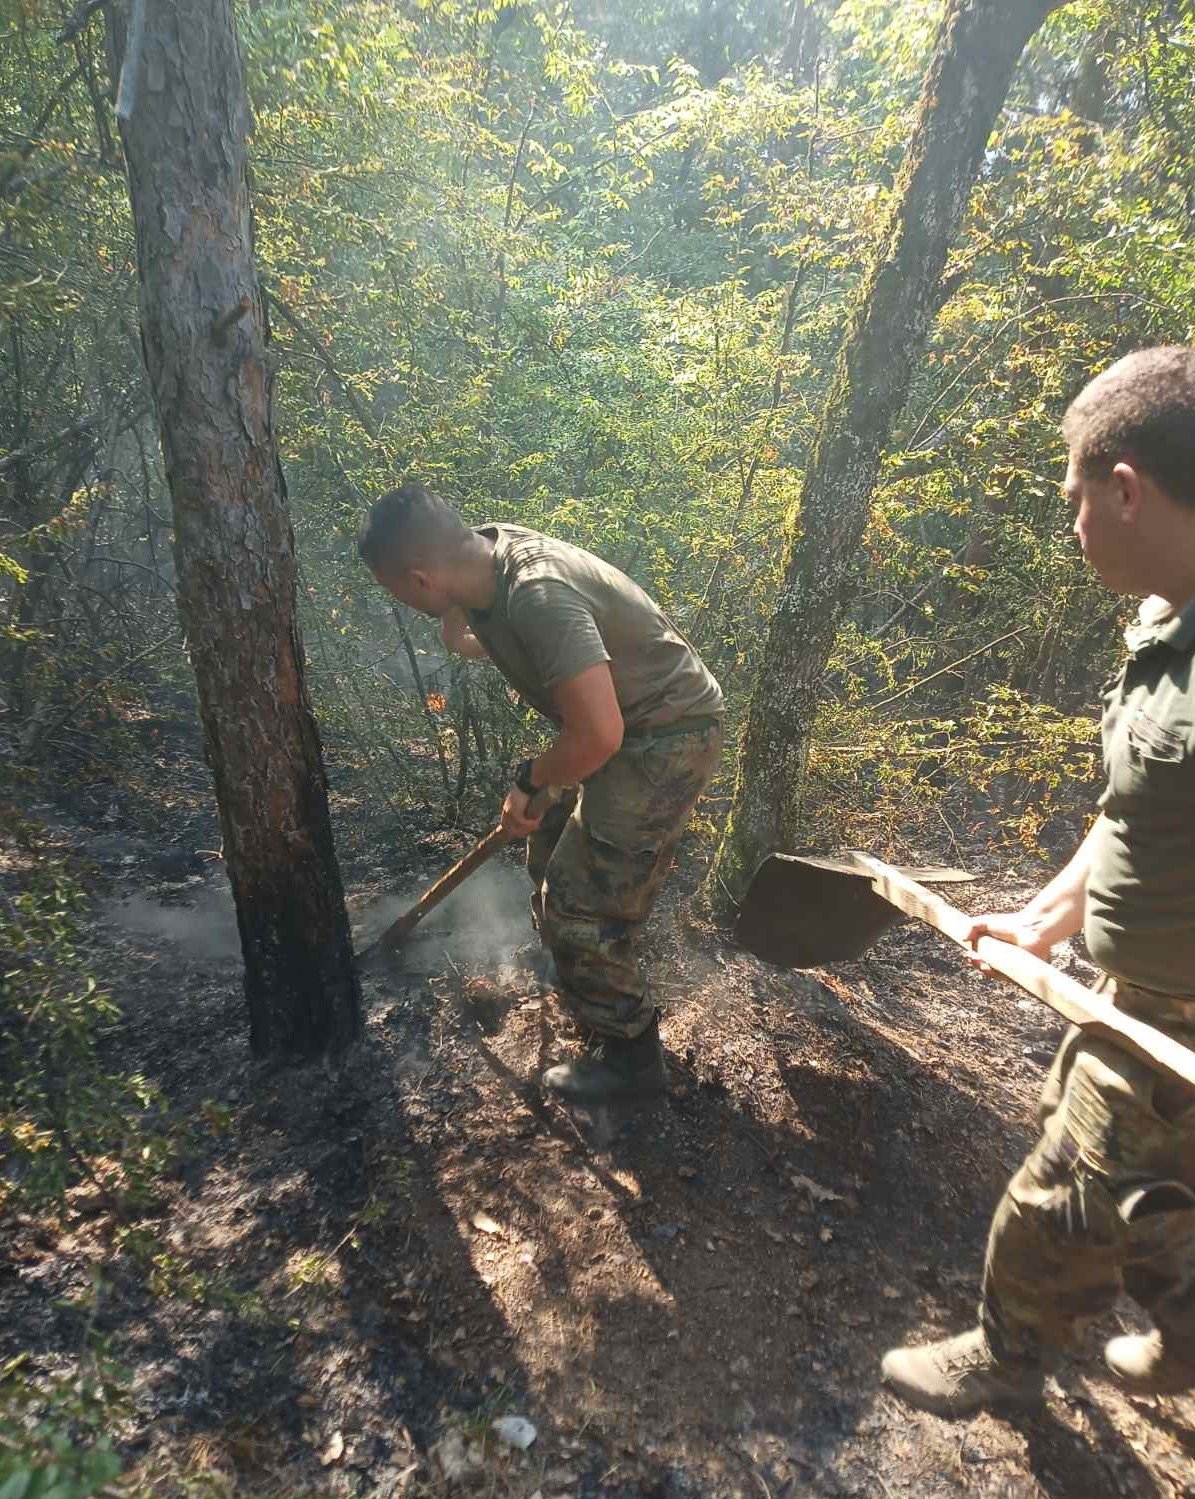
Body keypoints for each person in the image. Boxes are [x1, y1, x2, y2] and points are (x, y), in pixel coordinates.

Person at [881, 346, 1195, 1415]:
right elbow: (1135, 809)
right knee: (1135, 1185)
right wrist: (1043, 918)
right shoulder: (1167, 619)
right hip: (1137, 996)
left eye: (1074, 500)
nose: (1070, 529)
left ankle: (1010, 1356)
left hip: (1181, 1019)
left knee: (1064, 1192)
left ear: (1125, 489)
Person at [358, 480, 724, 1102]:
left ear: (420, 580)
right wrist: (457, 630)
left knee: (581, 899)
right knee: (549, 845)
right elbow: (494, 638)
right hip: (622, 726)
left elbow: (600, 733)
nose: (402, 602)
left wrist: (531, 778)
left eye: (398, 591)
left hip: (666, 737)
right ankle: (577, 964)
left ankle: (633, 1059)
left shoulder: (537, 593)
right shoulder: (484, 560)